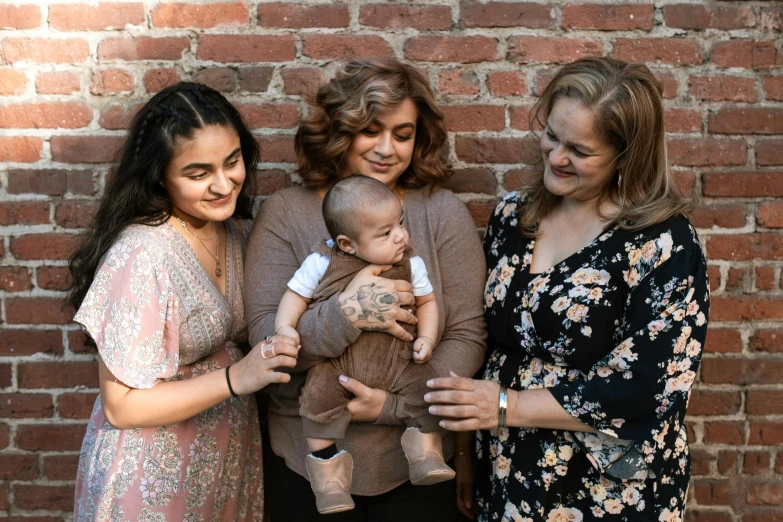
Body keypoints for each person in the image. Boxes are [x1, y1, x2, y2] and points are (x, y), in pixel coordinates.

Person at [424, 57, 710, 521]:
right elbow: (488, 342)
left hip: (607, 483)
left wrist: (508, 404)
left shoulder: (663, 242)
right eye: (552, 136)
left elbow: (651, 386)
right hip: (509, 465)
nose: (556, 157)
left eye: (579, 149)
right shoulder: (514, 216)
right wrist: (465, 455)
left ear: (626, 155)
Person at [245, 57, 487, 521]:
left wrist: (392, 406)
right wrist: (346, 314)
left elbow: (467, 335)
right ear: (339, 131)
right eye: (370, 130)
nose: (387, 149)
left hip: (417, 465)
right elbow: (263, 335)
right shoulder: (286, 212)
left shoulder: (441, 213)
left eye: (403, 134)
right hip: (305, 462)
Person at [66, 82, 299, 521]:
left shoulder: (237, 233)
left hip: (224, 462)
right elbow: (121, 406)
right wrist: (236, 377)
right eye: (198, 174)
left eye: (232, 162)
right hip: (150, 476)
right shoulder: (142, 253)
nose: (223, 183)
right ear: (159, 175)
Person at [275, 175, 452, 514]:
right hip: (338, 365)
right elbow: (295, 295)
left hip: (397, 361)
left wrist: (427, 337)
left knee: (425, 393)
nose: (400, 235)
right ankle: (329, 479)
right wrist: (285, 327)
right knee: (317, 403)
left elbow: (428, 302)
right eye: (385, 233)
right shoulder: (321, 261)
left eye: (400, 223)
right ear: (347, 244)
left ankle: (425, 454)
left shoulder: (410, 262)